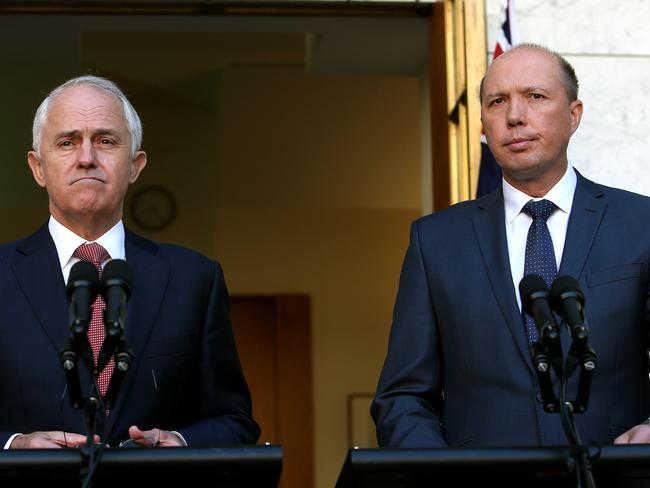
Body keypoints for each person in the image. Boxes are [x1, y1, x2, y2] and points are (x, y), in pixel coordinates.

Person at [371, 44, 650, 448]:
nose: (515, 116)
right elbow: (403, 398)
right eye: (497, 102)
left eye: (535, 97)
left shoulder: (640, 223)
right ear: (483, 122)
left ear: (574, 115)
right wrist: (441, 474)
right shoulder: (436, 242)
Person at [0, 75, 260, 449]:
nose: (86, 158)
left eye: (105, 141)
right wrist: (14, 445)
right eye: (67, 142)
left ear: (136, 164)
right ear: (38, 167)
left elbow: (236, 422)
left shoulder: (193, 279)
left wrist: (180, 441)